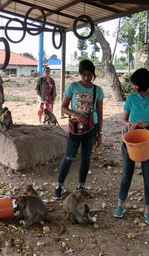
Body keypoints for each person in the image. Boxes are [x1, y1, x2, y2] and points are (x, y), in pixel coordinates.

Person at [113, 68, 149, 225]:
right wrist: (129, 124)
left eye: (135, 85)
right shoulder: (131, 98)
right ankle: (121, 205)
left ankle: (148, 209)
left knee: (148, 174)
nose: (133, 87)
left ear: (142, 85)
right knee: (127, 172)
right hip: (130, 138)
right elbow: (123, 119)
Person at [53, 59, 104, 200]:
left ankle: (81, 187)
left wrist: (100, 134)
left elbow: (100, 113)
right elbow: (63, 107)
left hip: (91, 129)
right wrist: (75, 114)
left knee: (86, 158)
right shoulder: (73, 87)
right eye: (83, 75)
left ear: (93, 74)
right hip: (75, 128)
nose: (87, 78)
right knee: (69, 157)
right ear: (80, 75)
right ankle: (58, 186)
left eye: (89, 75)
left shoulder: (97, 90)